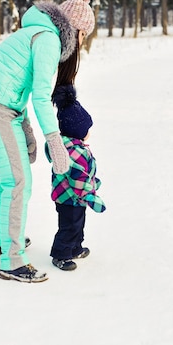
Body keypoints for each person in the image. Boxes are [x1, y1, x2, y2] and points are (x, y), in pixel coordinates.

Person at [0, 0, 96, 283]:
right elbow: (39, 95)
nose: (81, 43)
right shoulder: (49, 39)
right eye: (83, 35)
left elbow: (16, 84)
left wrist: (24, 126)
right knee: (17, 180)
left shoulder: (36, 31)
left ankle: (1, 240)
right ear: (74, 29)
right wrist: (54, 141)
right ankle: (12, 261)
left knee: (3, 177)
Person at [46, 84, 106, 272]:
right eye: (87, 128)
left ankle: (75, 248)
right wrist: (90, 196)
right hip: (71, 197)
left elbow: (83, 174)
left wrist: (92, 183)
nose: (89, 132)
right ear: (77, 130)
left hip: (68, 196)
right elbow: (78, 179)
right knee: (70, 226)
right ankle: (61, 254)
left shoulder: (66, 147)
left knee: (77, 224)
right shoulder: (74, 152)